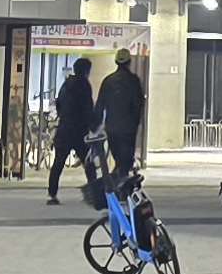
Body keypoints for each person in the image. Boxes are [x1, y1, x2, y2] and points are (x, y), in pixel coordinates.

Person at [44, 61, 102, 204]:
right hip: (79, 131)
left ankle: (52, 194)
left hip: (64, 129)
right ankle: (95, 194)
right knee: (88, 163)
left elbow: (59, 104)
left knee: (58, 163)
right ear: (86, 71)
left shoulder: (66, 84)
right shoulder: (84, 85)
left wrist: (64, 117)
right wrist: (93, 126)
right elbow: (87, 108)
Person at [96, 48, 148, 180]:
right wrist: (136, 124)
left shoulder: (108, 81)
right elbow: (138, 105)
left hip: (112, 128)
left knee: (119, 160)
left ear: (116, 62)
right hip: (128, 129)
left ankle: (118, 183)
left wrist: (94, 127)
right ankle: (120, 185)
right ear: (129, 62)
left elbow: (100, 105)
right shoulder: (133, 81)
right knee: (125, 161)